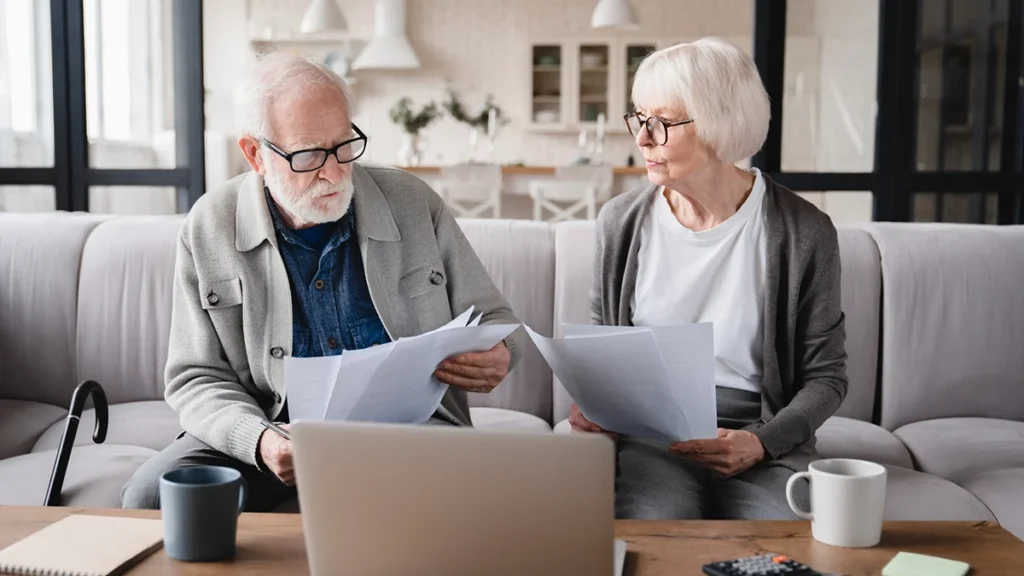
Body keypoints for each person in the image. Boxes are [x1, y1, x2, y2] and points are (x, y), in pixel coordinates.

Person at [122, 52, 524, 511]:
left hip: (408, 434)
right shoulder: (208, 227)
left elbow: (499, 322)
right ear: (256, 154)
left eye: (343, 145)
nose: (333, 172)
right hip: (272, 434)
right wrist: (261, 441)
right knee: (150, 497)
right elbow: (195, 377)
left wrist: (501, 355)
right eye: (309, 154)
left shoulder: (413, 204)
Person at [571, 37, 848, 520]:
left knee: (775, 550)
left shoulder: (804, 231)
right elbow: (603, 346)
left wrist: (761, 443)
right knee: (651, 531)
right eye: (639, 118)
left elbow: (827, 377)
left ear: (720, 122)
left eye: (661, 123)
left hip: (762, 432)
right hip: (652, 435)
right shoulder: (621, 222)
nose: (642, 139)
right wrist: (596, 404)